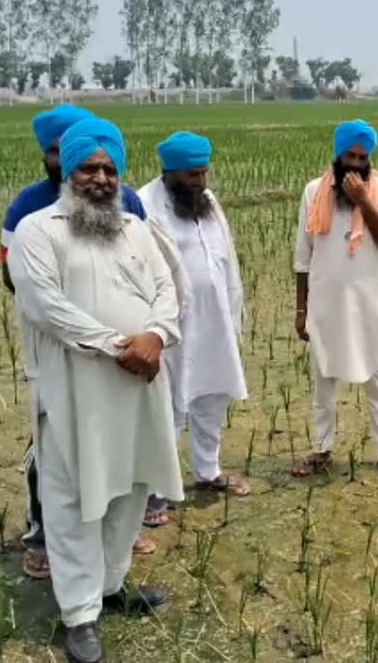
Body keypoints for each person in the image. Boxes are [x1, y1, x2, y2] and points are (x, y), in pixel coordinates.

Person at [1, 104, 159, 579]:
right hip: (59, 345)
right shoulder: (29, 209)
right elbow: (17, 280)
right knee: (52, 449)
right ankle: (43, 535)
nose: (61, 160)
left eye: (103, 164)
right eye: (56, 152)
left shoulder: (127, 202)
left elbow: (148, 269)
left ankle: (114, 543)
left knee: (118, 439)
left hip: (125, 354)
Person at [138, 131, 251, 505]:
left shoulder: (208, 201)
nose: (199, 182)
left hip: (215, 319)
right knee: (167, 406)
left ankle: (208, 470)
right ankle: (157, 489)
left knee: (213, 395)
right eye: (191, 175)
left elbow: (224, 257)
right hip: (171, 327)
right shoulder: (145, 205)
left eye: (203, 173)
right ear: (169, 172)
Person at [291, 119, 378, 482]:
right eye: (350, 156)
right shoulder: (314, 191)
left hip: (367, 301)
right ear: (338, 156)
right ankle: (322, 448)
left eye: (362, 157)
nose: (356, 164)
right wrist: (301, 309)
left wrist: (363, 201)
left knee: (377, 377)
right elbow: (302, 255)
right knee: (322, 379)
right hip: (325, 302)